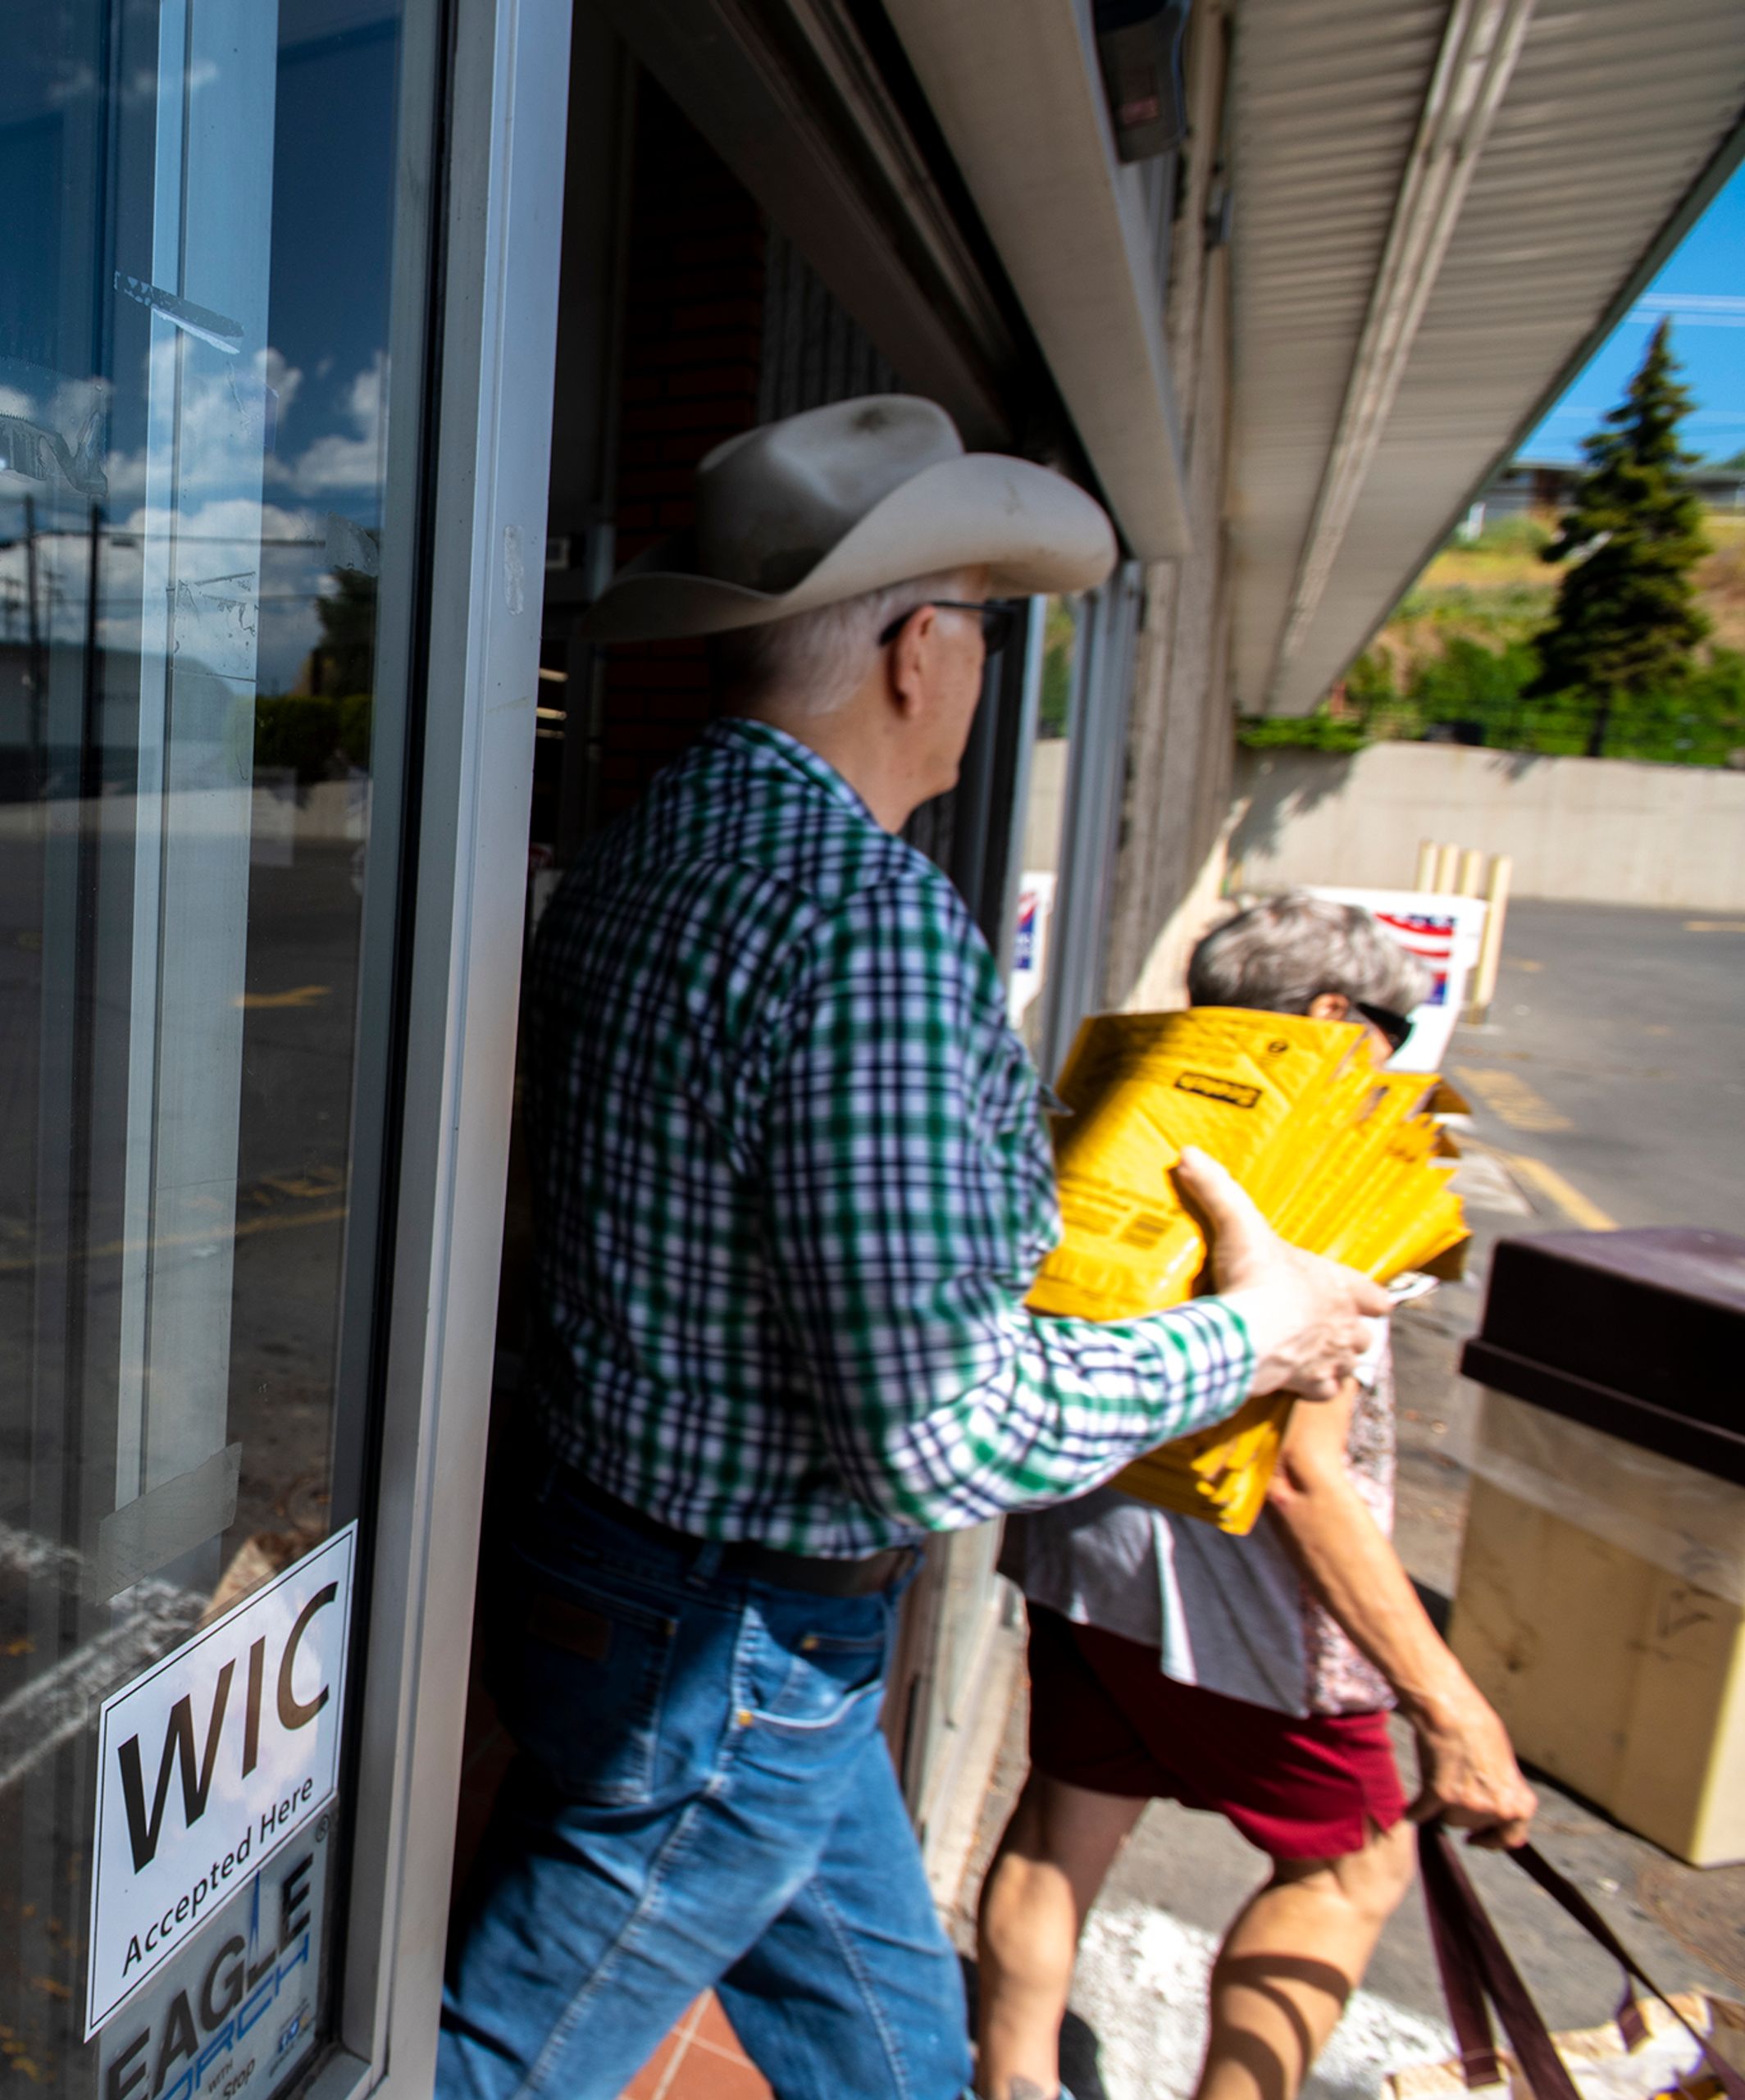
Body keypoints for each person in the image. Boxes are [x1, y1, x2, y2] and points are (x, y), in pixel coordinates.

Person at [436, 396, 1392, 2100]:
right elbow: (940, 1429)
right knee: (488, 2063)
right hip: (738, 1647)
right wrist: (1256, 1337)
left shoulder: (643, 856)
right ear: (918, 652)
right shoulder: (866, 919)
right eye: (980, 630)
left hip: (620, 1568)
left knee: (892, 2054)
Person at [972, 895, 1539, 2100]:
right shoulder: (1326, 1167)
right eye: (1394, 1025)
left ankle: (1010, 2082)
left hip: (1084, 1543)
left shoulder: (1127, 1117)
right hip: (1239, 1605)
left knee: (1064, 1820)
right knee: (1353, 1868)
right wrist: (1449, 1703)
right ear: (1334, 1015)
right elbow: (1303, 1474)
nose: (1401, 1055)